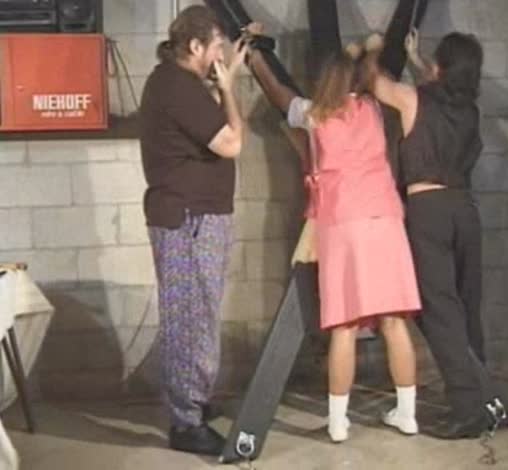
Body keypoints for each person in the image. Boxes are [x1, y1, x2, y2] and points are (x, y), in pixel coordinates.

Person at [248, 39, 421, 442]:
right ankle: (408, 414)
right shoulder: (372, 110)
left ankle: (339, 422)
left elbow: (278, 94)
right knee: (394, 321)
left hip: (342, 222)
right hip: (385, 218)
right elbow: (374, 76)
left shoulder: (312, 115)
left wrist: (255, 59)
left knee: (344, 325)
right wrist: (369, 50)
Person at [365, 31, 492, 439]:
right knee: (467, 308)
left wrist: (371, 50)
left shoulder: (411, 99)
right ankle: (486, 399)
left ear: (440, 68)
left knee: (439, 311)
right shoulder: (470, 111)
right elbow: (443, 90)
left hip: (428, 211)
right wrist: (418, 59)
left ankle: (467, 408)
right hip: (465, 210)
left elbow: (376, 83)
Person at [138, 5, 248, 456]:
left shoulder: (179, 84)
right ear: (196, 45)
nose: (221, 56)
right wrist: (229, 89)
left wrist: (219, 87)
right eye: (217, 46)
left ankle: (194, 402)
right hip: (188, 219)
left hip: (193, 216)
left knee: (197, 313)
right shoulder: (178, 86)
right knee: (189, 318)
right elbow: (232, 142)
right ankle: (186, 421)